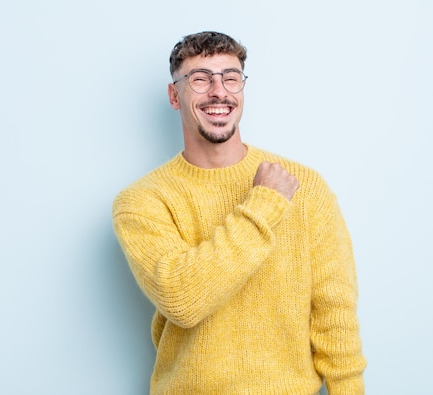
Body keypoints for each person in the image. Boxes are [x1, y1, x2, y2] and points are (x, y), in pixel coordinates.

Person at [112, 31, 367, 394]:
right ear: (174, 95)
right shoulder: (142, 201)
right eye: (200, 79)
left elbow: (334, 312)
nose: (219, 91)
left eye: (230, 77)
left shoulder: (304, 186)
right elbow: (183, 300)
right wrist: (263, 204)